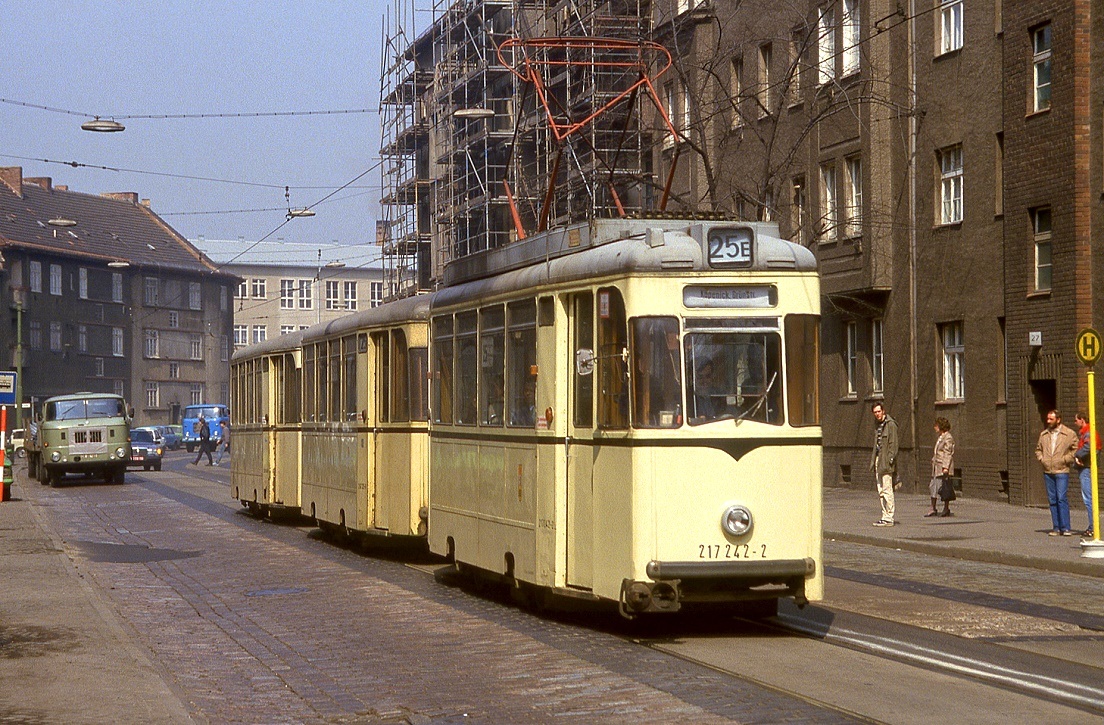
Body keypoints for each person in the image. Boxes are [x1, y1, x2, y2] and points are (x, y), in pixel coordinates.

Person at [1035, 409, 1077, 536]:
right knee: (1052, 499)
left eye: (1051, 419)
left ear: (1058, 420)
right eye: (1047, 418)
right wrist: (1042, 459)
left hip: (1062, 470)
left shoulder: (1069, 434)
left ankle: (1065, 527)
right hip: (1048, 470)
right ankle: (1056, 527)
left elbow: (1075, 449)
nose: (1048, 421)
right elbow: (1038, 450)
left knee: (1061, 498)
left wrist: (1065, 459)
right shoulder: (1044, 434)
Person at [870, 402, 898, 527]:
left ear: (883, 411)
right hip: (878, 459)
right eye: (875, 412)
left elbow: (894, 444)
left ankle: (889, 517)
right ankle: (884, 515)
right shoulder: (877, 425)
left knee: (887, 489)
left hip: (885, 461)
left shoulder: (890, 425)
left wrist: (890, 459)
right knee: (880, 490)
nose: (877, 414)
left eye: (878, 411)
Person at [1073, 413, 1100, 537]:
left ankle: (1093, 527)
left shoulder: (1088, 432)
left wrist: (1078, 455)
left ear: (1082, 420)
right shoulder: (1087, 431)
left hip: (1086, 467)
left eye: (1076, 420)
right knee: (1089, 498)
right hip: (1087, 466)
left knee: (1088, 498)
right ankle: (1093, 526)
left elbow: (1089, 447)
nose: (1075, 423)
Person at [927, 417, 955, 518]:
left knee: (944, 487)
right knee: (933, 486)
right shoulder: (940, 437)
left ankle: (945, 508)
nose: (934, 427)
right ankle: (933, 507)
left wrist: (945, 467)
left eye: (936, 425)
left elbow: (948, 453)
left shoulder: (948, 437)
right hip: (936, 466)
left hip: (942, 467)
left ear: (941, 426)